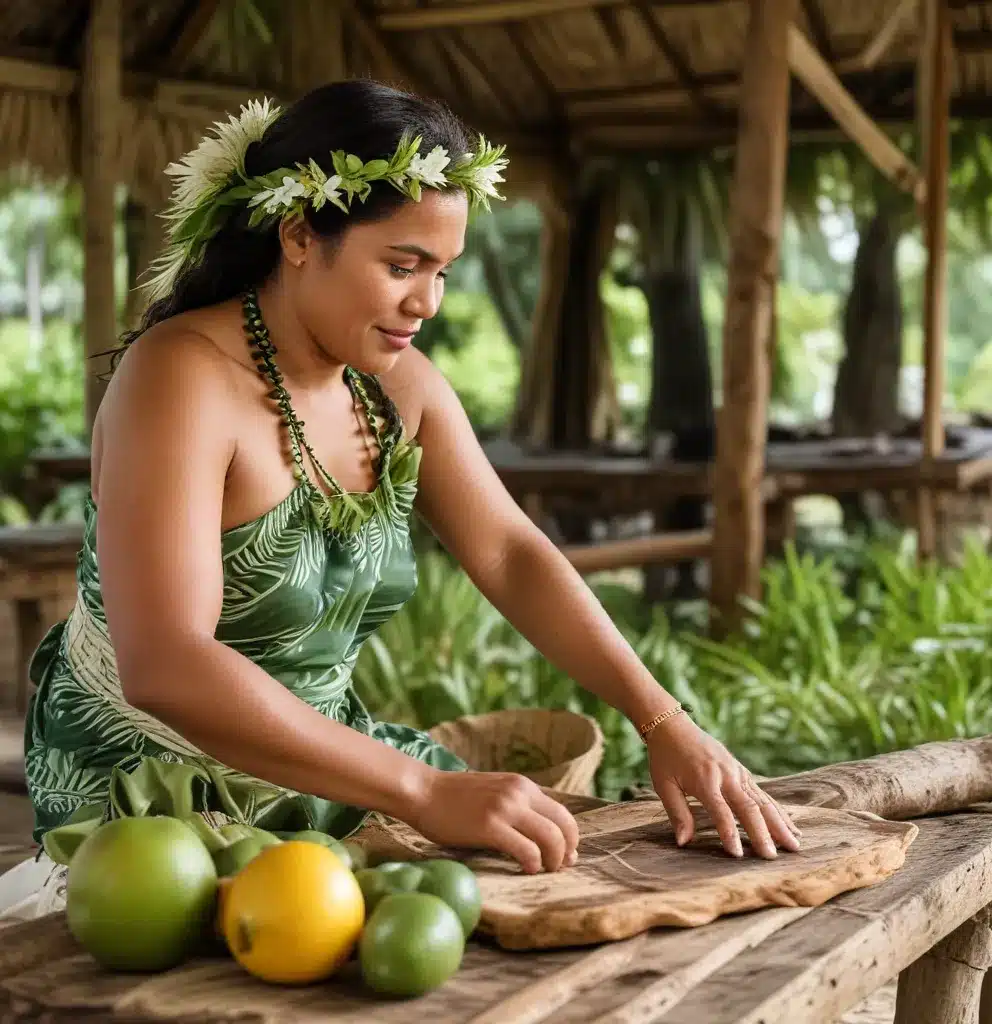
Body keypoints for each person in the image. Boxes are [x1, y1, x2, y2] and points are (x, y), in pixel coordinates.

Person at [5, 79, 798, 918]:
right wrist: (420, 790)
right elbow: (166, 663)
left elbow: (510, 552)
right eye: (401, 265)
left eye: (442, 271)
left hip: (328, 763)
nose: (427, 304)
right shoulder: (180, 379)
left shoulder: (396, 389)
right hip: (146, 787)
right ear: (301, 235)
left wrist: (664, 720)